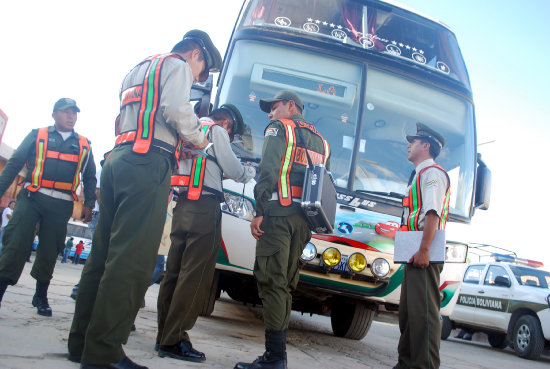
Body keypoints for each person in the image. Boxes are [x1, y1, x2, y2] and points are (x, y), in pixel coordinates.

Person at [67, 29, 222, 369]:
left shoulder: (138, 69)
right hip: (146, 165)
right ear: (196, 53)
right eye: (203, 70)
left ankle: (80, 343)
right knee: (131, 261)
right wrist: (199, 139)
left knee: (102, 256)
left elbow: (135, 117)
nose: (199, 77)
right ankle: (104, 351)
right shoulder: (178, 65)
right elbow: (176, 110)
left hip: (118, 160)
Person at [235, 90, 330, 369]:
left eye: (274, 107)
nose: (270, 114)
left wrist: (260, 209)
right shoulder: (323, 142)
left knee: (272, 282)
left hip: (278, 213)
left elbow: (269, 169)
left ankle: (275, 358)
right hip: (304, 221)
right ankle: (277, 356)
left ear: (291, 106)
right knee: (286, 284)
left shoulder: (280, 128)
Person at [157, 104, 256, 362]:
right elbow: (234, 170)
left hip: (182, 207)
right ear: (227, 125)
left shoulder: (187, 127)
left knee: (174, 272)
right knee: (195, 275)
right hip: (204, 208)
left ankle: (163, 334)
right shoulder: (215, 131)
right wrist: (250, 172)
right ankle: (175, 339)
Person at [0, 98, 96, 316]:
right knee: (15, 243)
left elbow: (90, 177)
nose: (71, 116)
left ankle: (40, 296)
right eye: (66, 112)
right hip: (32, 197)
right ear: (54, 114)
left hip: (61, 203)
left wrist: (89, 204)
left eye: (74, 113)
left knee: (50, 250)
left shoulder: (84, 144)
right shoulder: (37, 135)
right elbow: (14, 164)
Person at [394, 123, 451, 369]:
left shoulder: (432, 174)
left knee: (424, 315)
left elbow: (432, 213)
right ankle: (406, 363)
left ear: (426, 146)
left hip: (423, 252)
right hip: (414, 251)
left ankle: (424, 366)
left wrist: (425, 249)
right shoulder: (419, 174)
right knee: (409, 314)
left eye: (414, 141)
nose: (409, 144)